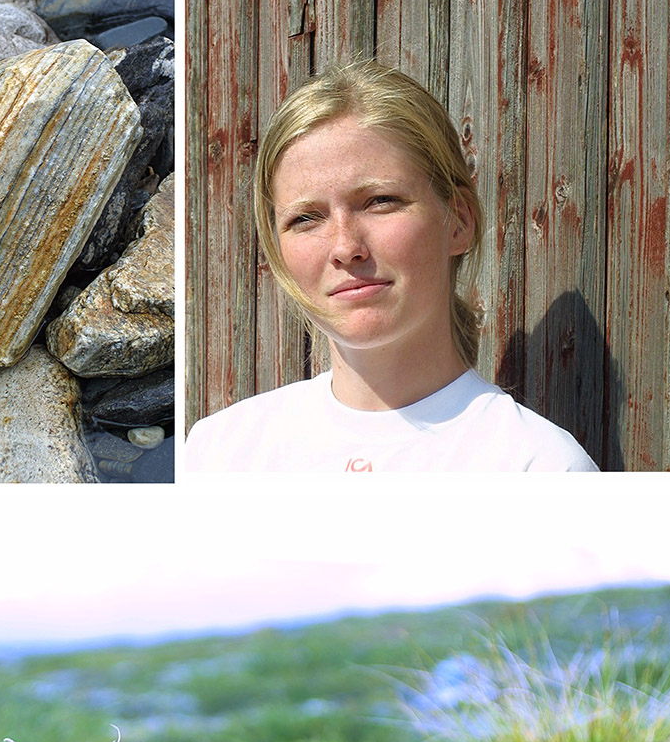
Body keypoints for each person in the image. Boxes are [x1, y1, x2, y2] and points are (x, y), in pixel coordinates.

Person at [184, 60, 598, 473]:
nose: (346, 248)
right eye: (306, 218)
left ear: (458, 221)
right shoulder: (218, 454)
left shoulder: (540, 468)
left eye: (380, 201)